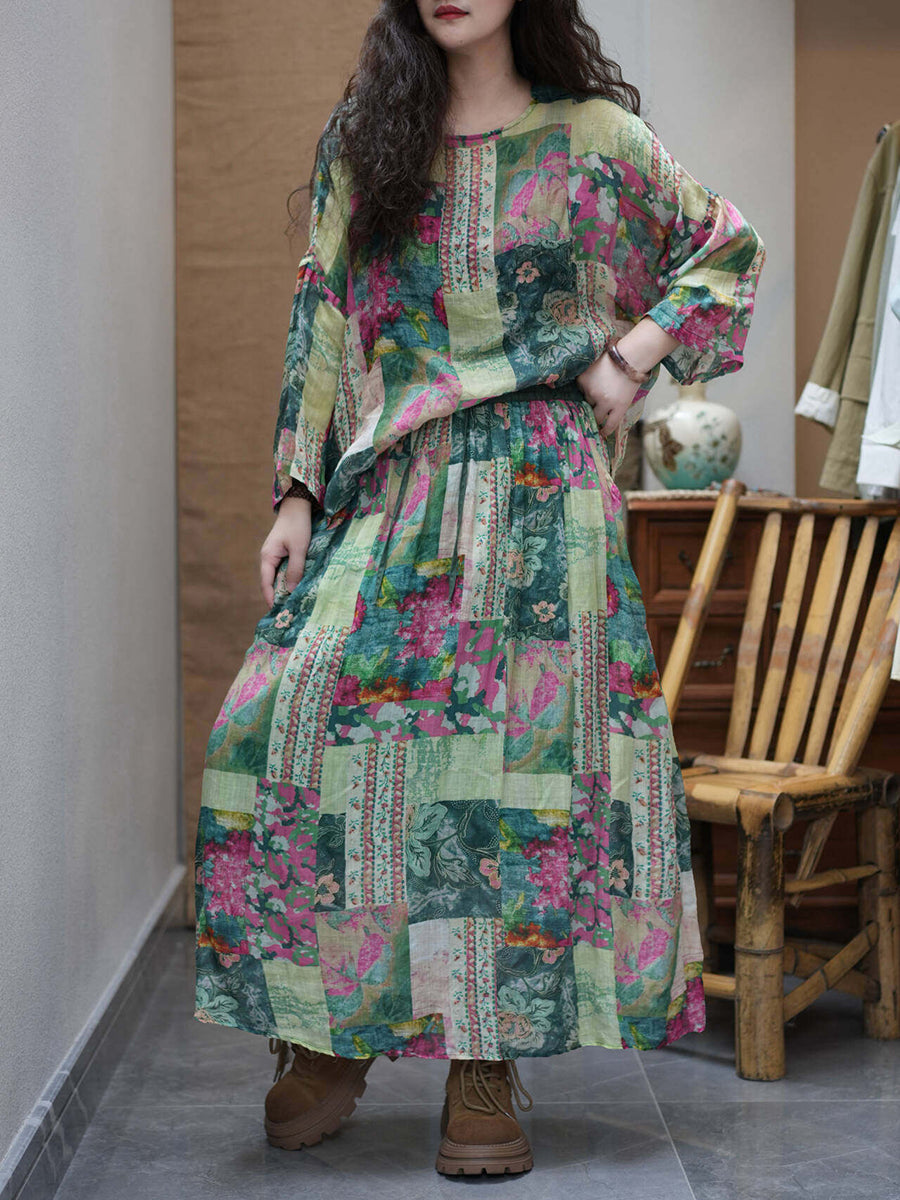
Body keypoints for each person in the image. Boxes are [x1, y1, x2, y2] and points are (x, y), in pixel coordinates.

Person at [193, 0, 766, 1178]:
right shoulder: (369, 139)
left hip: (546, 496)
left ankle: (486, 1056)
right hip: (399, 478)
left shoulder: (593, 137)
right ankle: (335, 1030)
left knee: (515, 779)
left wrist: (631, 357)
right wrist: (296, 490)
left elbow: (726, 246)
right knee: (279, 726)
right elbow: (322, 308)